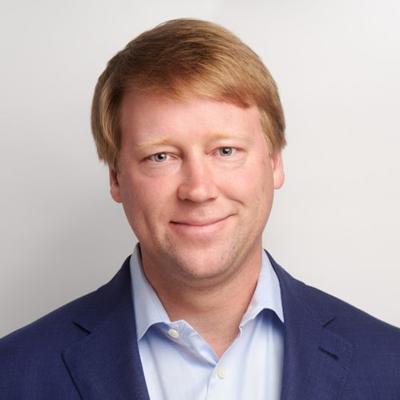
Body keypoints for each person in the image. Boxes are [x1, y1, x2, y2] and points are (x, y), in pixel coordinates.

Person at [0, 18, 399, 400]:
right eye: (160, 157)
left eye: (225, 151)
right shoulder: (13, 375)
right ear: (117, 179)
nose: (198, 190)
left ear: (275, 162)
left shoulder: (389, 365)